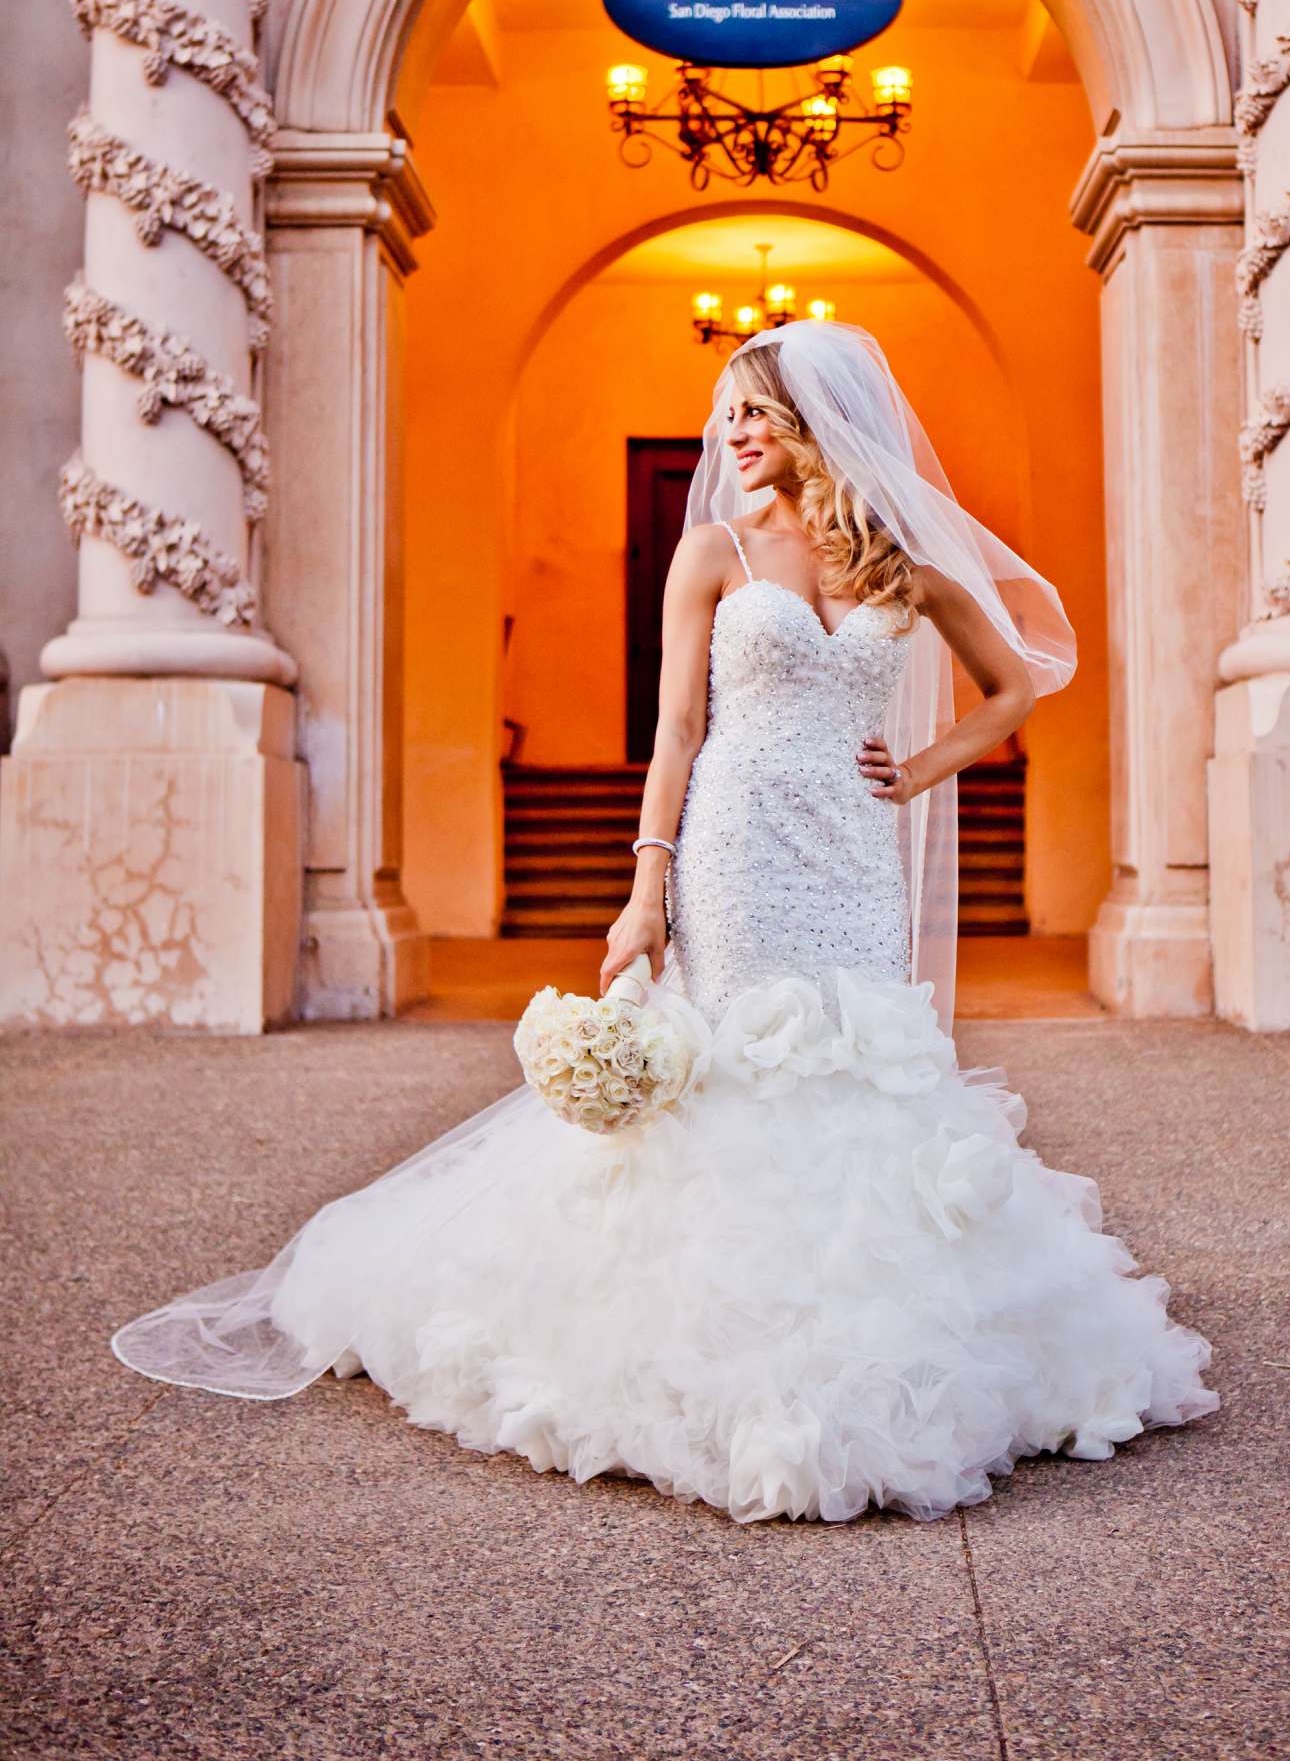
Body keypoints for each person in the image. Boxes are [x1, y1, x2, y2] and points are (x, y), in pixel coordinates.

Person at [111, 319, 1217, 1523]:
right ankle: (709, 1339)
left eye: (753, 412)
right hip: (736, 846)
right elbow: (677, 732)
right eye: (724, 413)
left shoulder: (902, 562)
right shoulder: (714, 553)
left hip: (850, 855)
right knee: (737, 1064)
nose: (729, 432)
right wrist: (646, 887)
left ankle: (880, 1319)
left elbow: (1013, 686)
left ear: (817, 424)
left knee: (857, 1061)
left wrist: (919, 769)